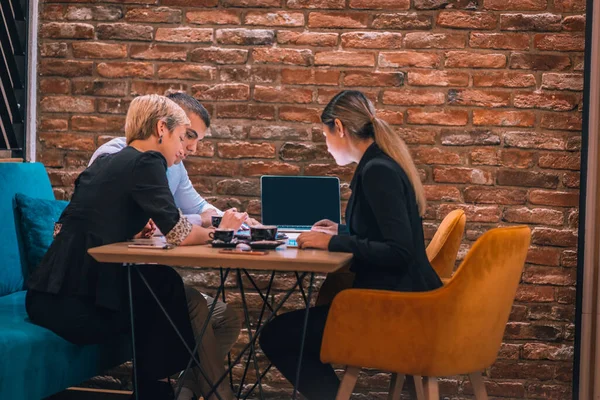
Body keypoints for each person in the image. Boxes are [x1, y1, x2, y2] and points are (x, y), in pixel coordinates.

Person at [26, 95, 247, 400]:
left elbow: (61, 228)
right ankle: (186, 390)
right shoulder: (148, 161)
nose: (184, 148)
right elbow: (179, 233)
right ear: (161, 129)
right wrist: (222, 233)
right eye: (181, 137)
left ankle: (167, 390)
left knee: (159, 287)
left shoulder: (106, 162)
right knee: (165, 289)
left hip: (44, 297)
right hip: (75, 306)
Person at [258, 90, 443, 399]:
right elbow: (383, 233)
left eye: (325, 136)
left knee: (278, 336)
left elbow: (400, 251)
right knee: (288, 334)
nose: (327, 146)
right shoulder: (380, 164)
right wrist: (340, 231)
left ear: (340, 128)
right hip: (402, 302)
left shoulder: (377, 171)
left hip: (393, 310)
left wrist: (333, 243)